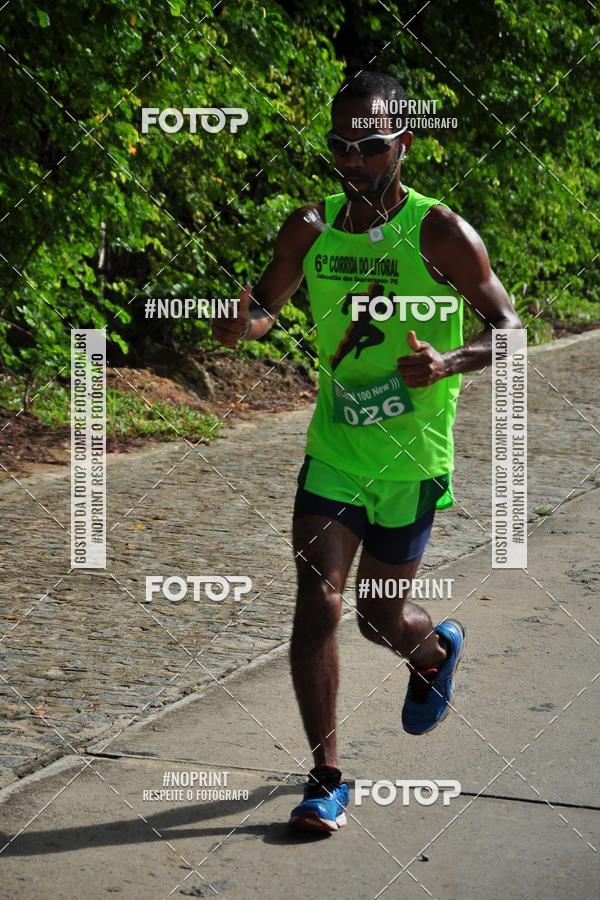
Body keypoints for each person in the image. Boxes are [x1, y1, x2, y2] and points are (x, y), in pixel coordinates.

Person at [212, 71, 521, 833]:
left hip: (411, 456)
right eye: (339, 146)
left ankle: (431, 650)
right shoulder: (309, 228)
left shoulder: (440, 231)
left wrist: (448, 364)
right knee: (318, 600)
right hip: (336, 450)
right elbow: (263, 309)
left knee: (380, 620)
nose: (352, 160)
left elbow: (511, 329)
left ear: (404, 144)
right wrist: (237, 324)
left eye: (370, 146)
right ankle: (326, 777)